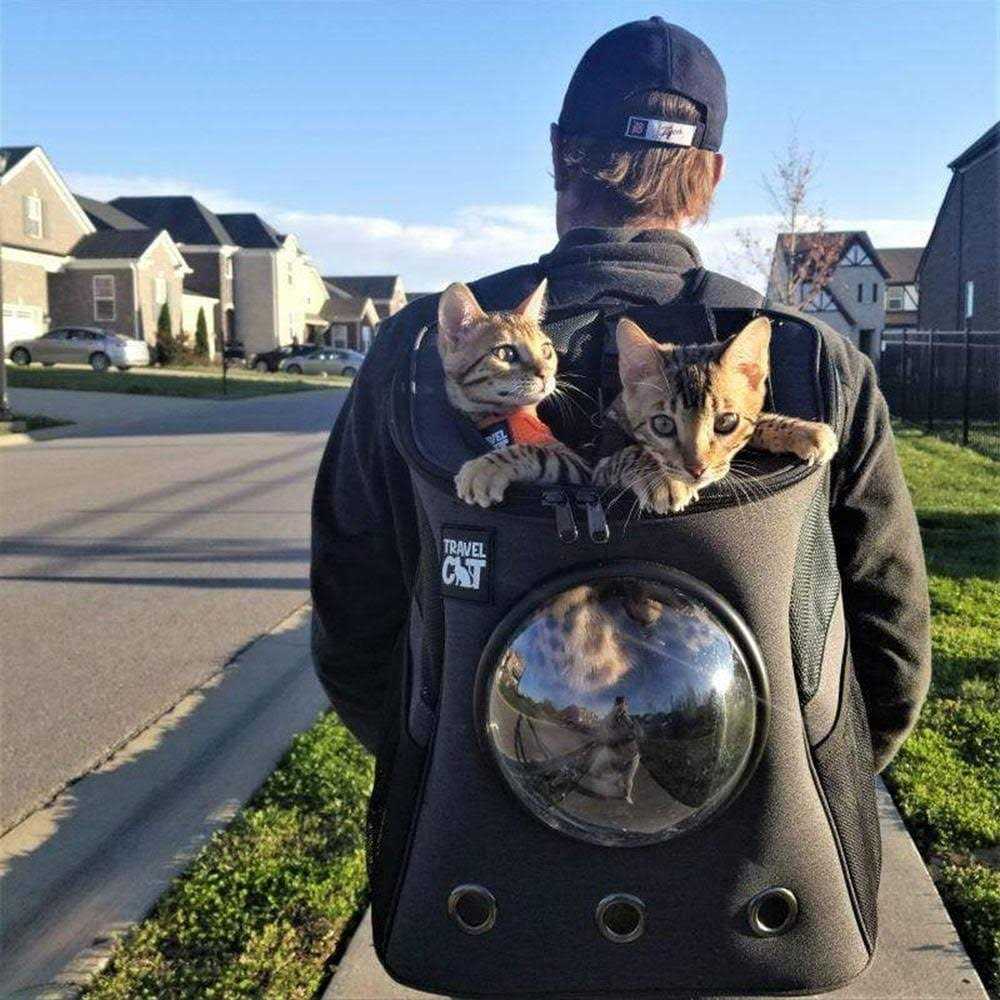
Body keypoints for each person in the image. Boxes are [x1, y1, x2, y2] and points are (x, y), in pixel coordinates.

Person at [310, 17, 930, 773]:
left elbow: (350, 606)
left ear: (557, 152)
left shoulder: (417, 347)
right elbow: (892, 638)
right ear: (714, 174)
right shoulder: (819, 359)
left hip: (472, 799)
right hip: (766, 813)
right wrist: (820, 777)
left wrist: (424, 765)